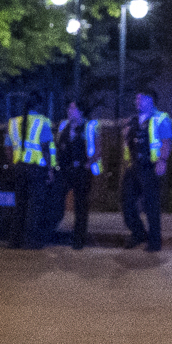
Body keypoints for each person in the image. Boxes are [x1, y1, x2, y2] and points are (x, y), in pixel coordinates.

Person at [118, 92, 172, 251]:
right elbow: (127, 143)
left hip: (151, 166)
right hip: (134, 166)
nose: (137, 102)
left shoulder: (161, 118)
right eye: (136, 99)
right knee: (126, 202)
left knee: (151, 205)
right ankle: (138, 233)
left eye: (141, 99)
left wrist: (162, 160)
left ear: (151, 100)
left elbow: (166, 141)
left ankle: (155, 242)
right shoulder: (133, 120)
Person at [5, 101, 57, 248]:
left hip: (19, 168)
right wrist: (50, 170)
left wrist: (12, 165)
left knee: (19, 204)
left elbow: (8, 147)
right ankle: (30, 240)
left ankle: (14, 240)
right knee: (34, 206)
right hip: (35, 168)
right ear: (38, 106)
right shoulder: (42, 122)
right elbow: (46, 148)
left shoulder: (13, 122)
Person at [65, 99, 101, 248]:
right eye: (69, 108)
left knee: (80, 205)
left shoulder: (90, 127)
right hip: (66, 170)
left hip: (82, 170)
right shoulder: (64, 126)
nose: (69, 110)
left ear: (81, 111)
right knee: (57, 199)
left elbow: (98, 149)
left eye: (72, 108)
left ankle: (78, 239)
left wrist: (88, 163)